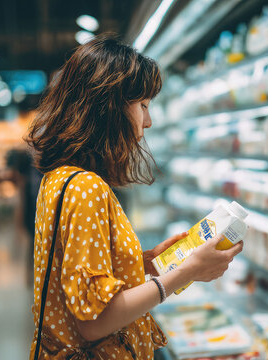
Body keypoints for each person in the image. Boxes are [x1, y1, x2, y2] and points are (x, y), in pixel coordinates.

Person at [25, 35, 243, 360]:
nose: (148, 121)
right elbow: (95, 321)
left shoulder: (61, 178)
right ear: (107, 106)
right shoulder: (86, 189)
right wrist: (185, 273)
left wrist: (149, 263)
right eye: (142, 106)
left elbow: (80, 275)